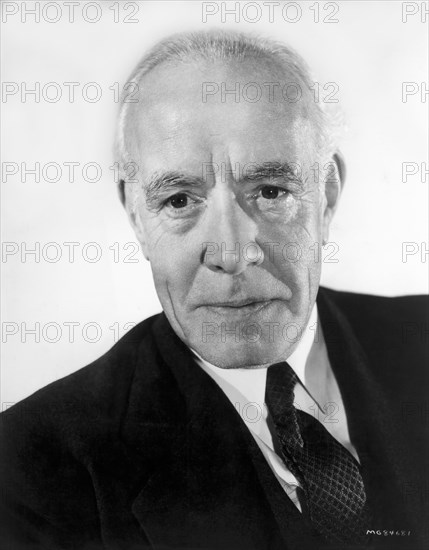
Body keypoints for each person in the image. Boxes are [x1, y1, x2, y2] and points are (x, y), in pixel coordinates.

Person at [1, 30, 427, 550]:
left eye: (271, 191)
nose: (230, 252)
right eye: (179, 200)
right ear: (136, 216)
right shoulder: (28, 467)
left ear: (327, 194)